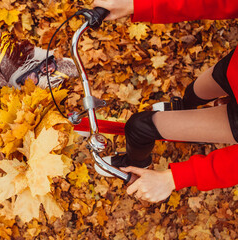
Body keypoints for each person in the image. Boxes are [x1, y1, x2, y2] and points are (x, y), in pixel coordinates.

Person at [92, 0, 238, 202]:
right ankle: (187, 109)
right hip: (233, 69)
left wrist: (175, 178)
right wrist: (140, 6)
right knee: (193, 92)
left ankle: (135, 162)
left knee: (139, 127)